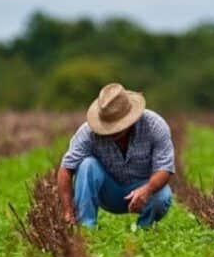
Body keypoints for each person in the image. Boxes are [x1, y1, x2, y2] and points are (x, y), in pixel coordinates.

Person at [57, 82, 175, 228]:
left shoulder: (155, 125)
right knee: (87, 165)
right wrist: (68, 212)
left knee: (162, 196)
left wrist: (147, 190)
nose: (112, 132)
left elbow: (165, 168)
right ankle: (86, 228)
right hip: (109, 192)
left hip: (143, 188)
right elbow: (65, 169)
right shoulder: (88, 132)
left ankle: (143, 230)